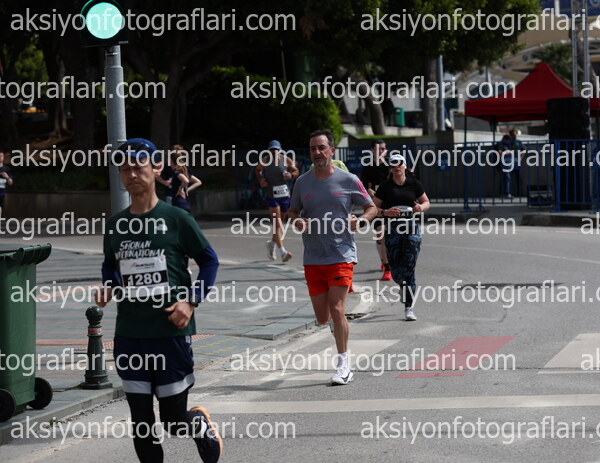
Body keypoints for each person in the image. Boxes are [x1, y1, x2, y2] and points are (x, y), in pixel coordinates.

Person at [95, 138, 222, 463]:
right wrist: (109, 285)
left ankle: (197, 422)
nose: (132, 174)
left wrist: (191, 301)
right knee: (141, 423)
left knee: (173, 421)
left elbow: (209, 261)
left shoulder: (176, 218)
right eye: (125, 169)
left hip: (170, 333)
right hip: (130, 335)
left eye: (138, 166)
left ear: (156, 169)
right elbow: (110, 264)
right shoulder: (115, 225)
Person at [288, 129, 377, 385]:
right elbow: (292, 212)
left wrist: (360, 220)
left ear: (332, 150)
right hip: (313, 257)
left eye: (321, 148)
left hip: (341, 254)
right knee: (322, 317)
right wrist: (297, 221)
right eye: (313, 149)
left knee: (338, 309)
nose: (317, 152)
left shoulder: (348, 180)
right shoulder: (302, 182)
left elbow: (371, 207)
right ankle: (337, 328)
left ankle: (343, 366)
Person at [372, 154, 430, 321]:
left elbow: (427, 202)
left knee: (409, 268)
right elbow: (373, 209)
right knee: (396, 272)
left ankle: (409, 307)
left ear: (405, 166)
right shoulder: (385, 186)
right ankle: (403, 286)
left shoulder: (414, 184)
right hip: (393, 230)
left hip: (411, 229)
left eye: (399, 164)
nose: (396, 167)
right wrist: (386, 212)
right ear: (390, 168)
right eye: (393, 164)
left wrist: (421, 207)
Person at [255, 140, 299, 262]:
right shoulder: (265, 160)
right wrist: (261, 179)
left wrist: (291, 175)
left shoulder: (286, 160)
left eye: (276, 150)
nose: (274, 152)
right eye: (272, 150)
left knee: (280, 224)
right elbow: (257, 170)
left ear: (280, 150)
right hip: (272, 196)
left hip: (284, 195)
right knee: (277, 224)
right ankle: (282, 252)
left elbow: (296, 171)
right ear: (268, 151)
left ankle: (272, 244)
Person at [360, 139, 392, 281]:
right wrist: (368, 190)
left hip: (391, 204)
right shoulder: (368, 167)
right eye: (378, 149)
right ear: (372, 150)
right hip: (377, 206)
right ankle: (387, 267)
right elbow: (362, 186)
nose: (381, 152)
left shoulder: (391, 165)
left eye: (383, 149)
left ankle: (387, 260)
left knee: (392, 236)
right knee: (381, 234)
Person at [171, 146, 202, 213]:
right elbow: (198, 182)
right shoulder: (183, 171)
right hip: (185, 204)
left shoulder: (177, 172)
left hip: (179, 204)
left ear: (171, 160)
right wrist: (186, 190)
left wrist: (181, 188)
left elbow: (186, 181)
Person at [0, 151, 14, 216]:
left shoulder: (6, 169)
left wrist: (7, 177)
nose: (0, 157)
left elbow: (11, 183)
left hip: (1, 193)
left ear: (3, 158)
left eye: (1, 156)